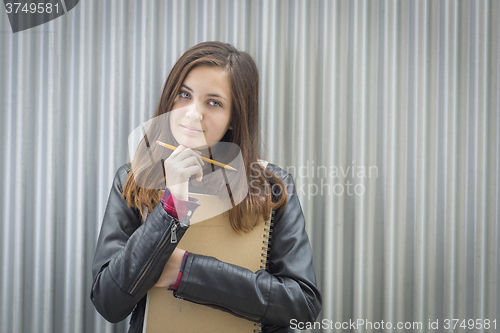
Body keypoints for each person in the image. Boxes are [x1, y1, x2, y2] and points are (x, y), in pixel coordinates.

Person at [90, 41, 322, 333]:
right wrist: (171, 207)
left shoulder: (272, 186)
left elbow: (302, 304)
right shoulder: (134, 180)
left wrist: (186, 272)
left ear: (234, 117)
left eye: (213, 102)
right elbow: (109, 303)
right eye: (184, 94)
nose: (192, 113)